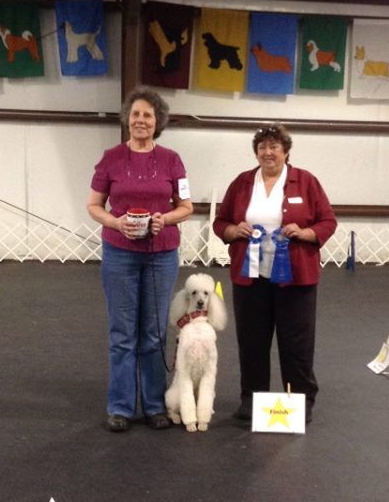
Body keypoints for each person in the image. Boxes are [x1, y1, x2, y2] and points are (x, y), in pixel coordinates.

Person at [212, 124, 337, 423]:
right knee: (251, 341)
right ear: (256, 152)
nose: (268, 153)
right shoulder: (242, 182)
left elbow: (327, 221)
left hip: (295, 278)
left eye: (274, 147)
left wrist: (305, 233)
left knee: (296, 342)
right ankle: (251, 399)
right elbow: (220, 222)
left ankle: (300, 400)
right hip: (251, 277)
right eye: (262, 147)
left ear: (286, 151)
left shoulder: (306, 181)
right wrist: (233, 230)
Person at [87, 86, 193, 432]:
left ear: (157, 121)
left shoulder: (173, 160)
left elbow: (186, 206)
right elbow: (93, 205)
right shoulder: (110, 158)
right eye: (135, 114)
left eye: (147, 115)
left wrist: (166, 219)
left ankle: (154, 405)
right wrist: (115, 222)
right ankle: (120, 406)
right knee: (122, 333)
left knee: (154, 333)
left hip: (161, 256)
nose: (141, 120)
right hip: (120, 254)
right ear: (127, 119)